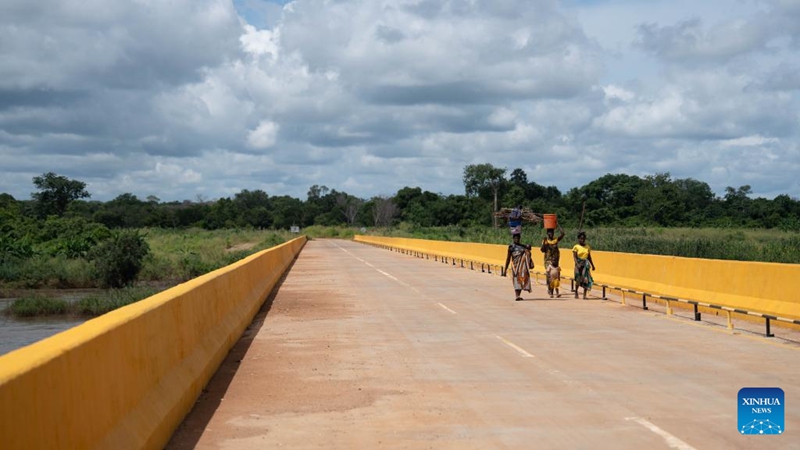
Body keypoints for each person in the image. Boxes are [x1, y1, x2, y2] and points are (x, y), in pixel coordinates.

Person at [504, 232, 534, 301]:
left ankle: (518, 295)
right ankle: (517, 295)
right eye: (515, 238)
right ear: (513, 239)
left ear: (520, 239)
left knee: (520, 280)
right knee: (515, 280)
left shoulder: (522, 247)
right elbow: (508, 259)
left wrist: (528, 248)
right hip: (515, 266)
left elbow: (528, 252)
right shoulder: (511, 248)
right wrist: (505, 270)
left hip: (521, 267)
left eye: (518, 238)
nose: (516, 239)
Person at [540, 225, 565, 298]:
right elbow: (542, 250)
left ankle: (554, 291)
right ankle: (550, 290)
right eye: (549, 233)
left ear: (553, 233)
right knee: (549, 276)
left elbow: (563, 234)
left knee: (556, 276)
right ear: (547, 234)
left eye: (552, 233)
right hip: (548, 260)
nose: (550, 234)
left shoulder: (555, 240)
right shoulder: (545, 240)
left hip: (555, 260)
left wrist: (557, 225)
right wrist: (545, 243)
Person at [572, 231, 596, 299]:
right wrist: (577, 264)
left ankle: (584, 295)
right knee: (578, 279)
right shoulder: (576, 247)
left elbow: (589, 257)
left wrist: (593, 265)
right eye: (581, 238)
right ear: (578, 239)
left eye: (583, 239)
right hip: (578, 264)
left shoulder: (587, 247)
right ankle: (576, 291)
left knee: (586, 279)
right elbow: (574, 257)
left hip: (585, 264)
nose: (582, 240)